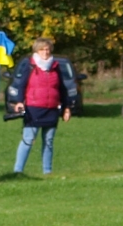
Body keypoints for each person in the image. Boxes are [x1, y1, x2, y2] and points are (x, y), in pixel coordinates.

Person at [6, 37, 81, 175]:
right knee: (28, 140)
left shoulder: (55, 67)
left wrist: (66, 107)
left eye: (47, 49)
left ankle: (47, 171)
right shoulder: (30, 66)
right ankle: (18, 171)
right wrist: (19, 102)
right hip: (33, 109)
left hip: (51, 109)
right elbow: (21, 85)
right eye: (42, 49)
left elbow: (62, 89)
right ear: (36, 51)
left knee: (48, 141)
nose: (45, 52)